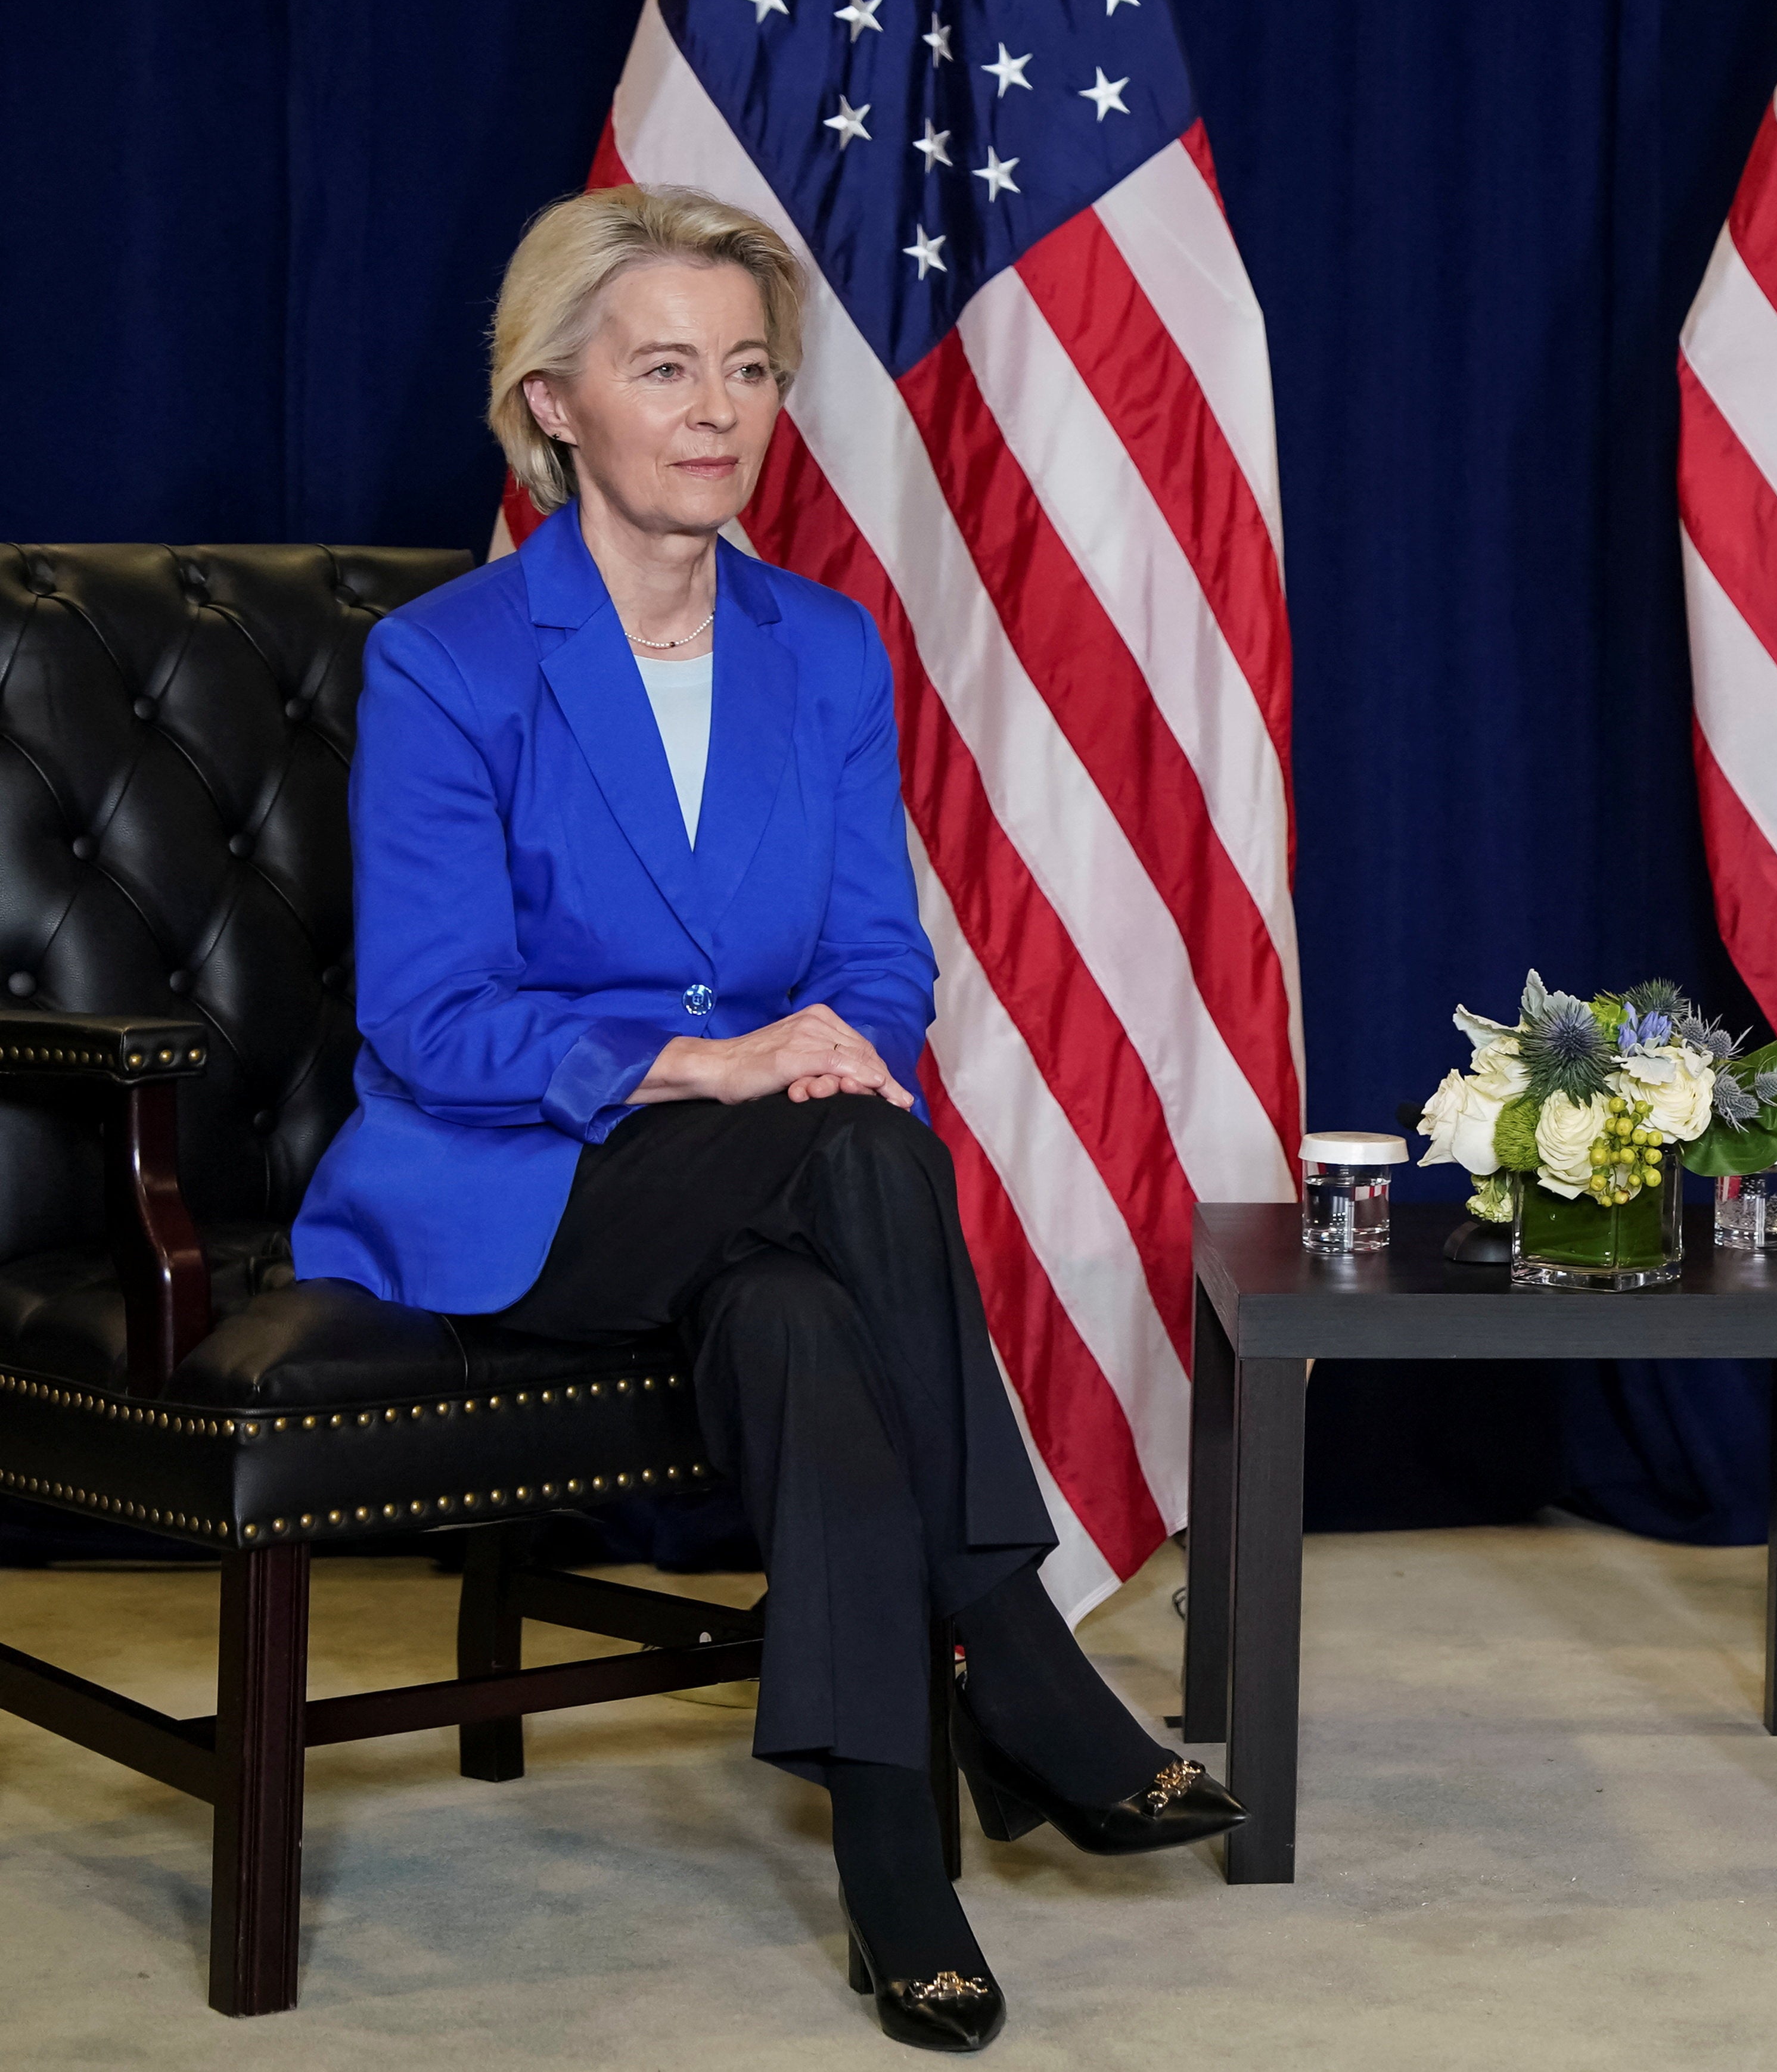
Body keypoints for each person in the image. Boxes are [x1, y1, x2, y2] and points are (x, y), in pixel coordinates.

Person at [288, 183, 1240, 2053]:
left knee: (811, 1305)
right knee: (856, 1146)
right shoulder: (450, 661)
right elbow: (428, 1018)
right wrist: (715, 1066)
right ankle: (1023, 1660)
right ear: (554, 401)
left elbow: (882, 969)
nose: (719, 410)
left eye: (747, 368)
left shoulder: (825, 648)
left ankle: (902, 1878)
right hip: (526, 1180)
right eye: (666, 367)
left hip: (783, 1192)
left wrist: (818, 1052)